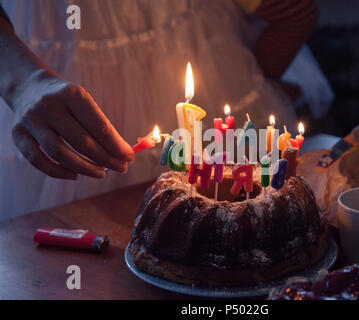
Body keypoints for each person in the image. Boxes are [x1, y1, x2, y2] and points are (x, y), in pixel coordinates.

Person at [0, 0, 332, 219]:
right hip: (36, 62)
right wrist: (23, 81)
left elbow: (295, 11)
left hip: (208, 54)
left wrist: (256, 77)